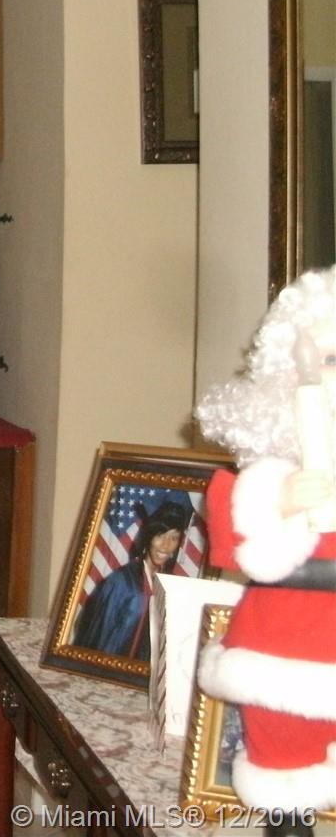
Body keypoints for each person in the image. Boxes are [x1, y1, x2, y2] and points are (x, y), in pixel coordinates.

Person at [195, 267, 336, 835]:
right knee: (285, 781)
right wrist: (281, 502)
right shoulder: (258, 481)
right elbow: (240, 550)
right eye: (331, 361)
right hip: (281, 655)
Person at [71, 499, 191, 659]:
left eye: (173, 538)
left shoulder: (170, 586)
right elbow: (99, 637)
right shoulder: (122, 583)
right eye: (160, 535)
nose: (165, 545)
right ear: (149, 537)